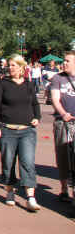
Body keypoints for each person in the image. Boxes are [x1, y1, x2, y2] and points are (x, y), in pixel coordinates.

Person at [0, 54, 41, 211]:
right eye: (9, 65)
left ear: (21, 67)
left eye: (14, 65)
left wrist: (37, 117)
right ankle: (10, 191)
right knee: (8, 162)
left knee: (27, 162)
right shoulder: (2, 84)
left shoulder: (29, 85)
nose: (10, 68)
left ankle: (30, 197)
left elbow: (35, 103)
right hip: (7, 130)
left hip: (27, 130)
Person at [50, 51, 75, 208]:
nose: (64, 63)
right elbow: (55, 99)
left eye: (67, 61)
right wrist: (63, 113)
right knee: (63, 155)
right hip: (63, 122)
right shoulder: (58, 78)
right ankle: (64, 188)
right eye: (63, 61)